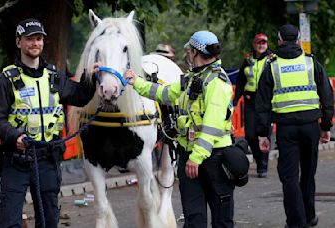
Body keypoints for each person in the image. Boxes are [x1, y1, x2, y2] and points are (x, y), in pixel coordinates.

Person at [0, 18, 96, 228]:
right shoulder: (7, 79)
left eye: (39, 39)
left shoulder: (54, 76)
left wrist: (92, 76)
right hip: (15, 160)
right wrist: (14, 136)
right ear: (19, 42)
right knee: (10, 222)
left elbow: (80, 96)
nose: (35, 43)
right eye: (30, 39)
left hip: (48, 159)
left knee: (49, 220)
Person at [126, 31, 235, 227]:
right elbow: (164, 93)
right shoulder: (190, 79)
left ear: (195, 51)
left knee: (222, 220)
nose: (187, 54)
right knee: (193, 219)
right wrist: (137, 83)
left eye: (189, 50)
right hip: (189, 156)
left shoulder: (217, 82)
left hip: (214, 158)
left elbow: (212, 126)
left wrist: (196, 157)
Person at [256, 24, 333, 228]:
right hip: (310, 127)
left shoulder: (271, 67)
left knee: (289, 177)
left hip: (286, 129)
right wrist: (326, 126)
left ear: (279, 41)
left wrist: (263, 135)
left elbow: (262, 104)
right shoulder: (311, 63)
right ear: (298, 40)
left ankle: (296, 222)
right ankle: (309, 216)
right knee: (308, 174)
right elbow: (327, 95)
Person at [233, 33, 274, 178]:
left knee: (264, 134)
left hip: (266, 102)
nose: (261, 46)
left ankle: (263, 166)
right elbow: (240, 81)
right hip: (250, 101)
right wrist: (235, 100)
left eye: (264, 43)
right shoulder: (248, 60)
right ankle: (258, 159)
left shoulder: (272, 60)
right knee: (250, 135)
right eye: (259, 43)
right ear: (254, 44)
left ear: (267, 45)